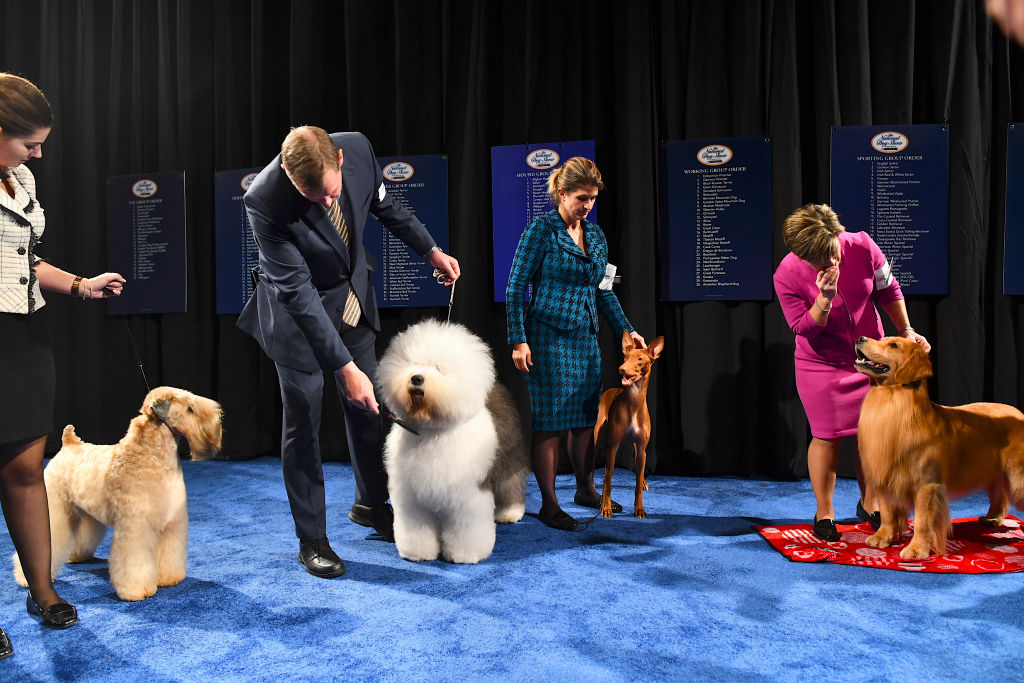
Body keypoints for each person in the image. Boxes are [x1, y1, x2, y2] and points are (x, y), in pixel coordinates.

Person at [237, 126, 459, 578]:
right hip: (298, 322)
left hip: (352, 301)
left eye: (329, 193)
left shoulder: (358, 149)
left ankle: (372, 505)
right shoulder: (264, 200)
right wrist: (344, 367)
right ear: (286, 171)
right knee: (304, 426)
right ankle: (312, 538)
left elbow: (383, 205)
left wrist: (429, 250)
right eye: (310, 196)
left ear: (340, 158)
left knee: (368, 409)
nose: (324, 203)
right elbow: (297, 292)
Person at [0, 73, 125, 653]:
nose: (39, 155)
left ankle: (42, 590)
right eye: (29, 143)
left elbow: (28, 259)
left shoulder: (18, 179)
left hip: (21, 340)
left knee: (26, 471)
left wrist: (80, 285)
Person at [773, 203, 930, 541]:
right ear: (800, 255)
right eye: (820, 260)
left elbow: (888, 288)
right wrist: (824, 301)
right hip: (821, 365)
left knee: (871, 436)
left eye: (833, 252)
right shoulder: (785, 275)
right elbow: (803, 330)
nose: (832, 263)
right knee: (827, 438)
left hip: (868, 358)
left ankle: (870, 503)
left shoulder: (862, 245)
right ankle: (824, 512)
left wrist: (905, 330)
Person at [505, 157, 644, 531]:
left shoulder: (596, 236)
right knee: (550, 422)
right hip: (546, 337)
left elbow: (603, 290)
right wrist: (519, 340)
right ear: (562, 193)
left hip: (586, 337)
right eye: (581, 198)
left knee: (585, 419)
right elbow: (516, 289)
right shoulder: (540, 231)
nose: (587, 205)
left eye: (593, 199)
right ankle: (549, 504)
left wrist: (625, 329)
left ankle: (585, 488)